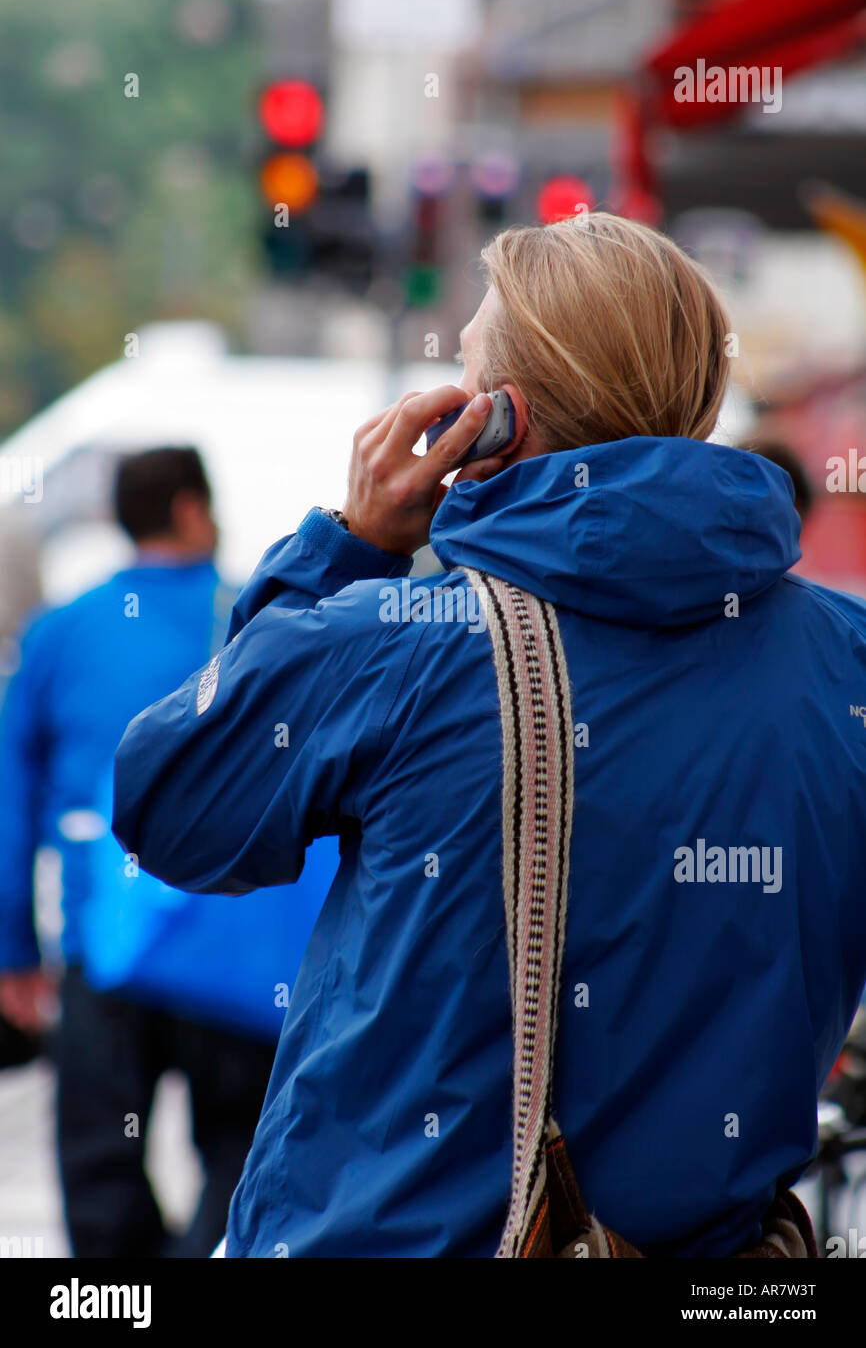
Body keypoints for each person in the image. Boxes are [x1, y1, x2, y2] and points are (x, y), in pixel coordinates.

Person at [113, 213, 866, 1257]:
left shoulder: (402, 647)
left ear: (494, 423)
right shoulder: (845, 659)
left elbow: (173, 809)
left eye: (461, 371)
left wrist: (346, 544)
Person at [0, 448, 278, 1257]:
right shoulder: (260, 615)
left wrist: (15, 952)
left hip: (103, 945)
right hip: (234, 940)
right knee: (239, 1149)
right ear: (192, 508)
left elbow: (11, 809)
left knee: (100, 1161)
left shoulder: (58, 633)